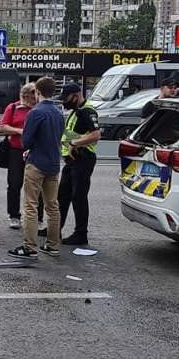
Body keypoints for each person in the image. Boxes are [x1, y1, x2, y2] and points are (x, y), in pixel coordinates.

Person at [10, 77, 63, 259]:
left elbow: (26, 140)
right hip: (54, 163)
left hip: (37, 163)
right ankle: (53, 245)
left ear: (37, 92)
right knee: (52, 206)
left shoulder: (35, 112)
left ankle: (30, 247)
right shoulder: (58, 113)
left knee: (31, 205)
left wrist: (29, 150)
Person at [57, 83, 101, 247]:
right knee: (63, 196)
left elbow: (96, 135)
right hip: (72, 160)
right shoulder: (76, 111)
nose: (65, 102)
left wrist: (75, 143)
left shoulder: (87, 111)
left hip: (83, 158)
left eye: (66, 98)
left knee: (78, 197)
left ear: (76, 95)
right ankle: (55, 229)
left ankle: (81, 234)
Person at [0, 83, 38, 230]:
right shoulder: (13, 107)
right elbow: (3, 126)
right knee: (14, 184)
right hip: (16, 150)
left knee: (35, 185)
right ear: (26, 96)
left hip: (35, 151)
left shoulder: (39, 108)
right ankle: (14, 216)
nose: (35, 99)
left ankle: (37, 218)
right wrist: (19, 131)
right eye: (33, 96)